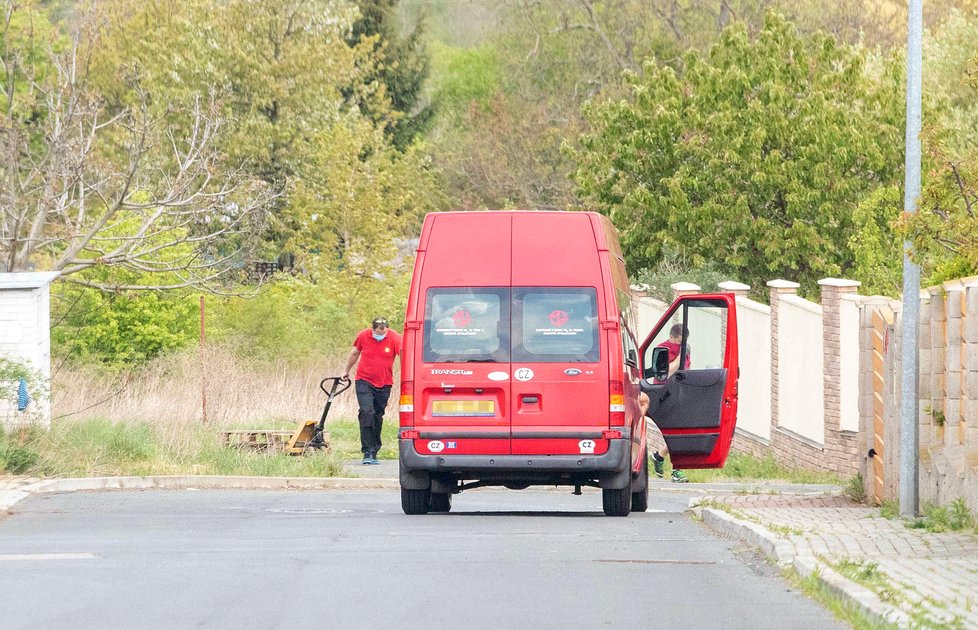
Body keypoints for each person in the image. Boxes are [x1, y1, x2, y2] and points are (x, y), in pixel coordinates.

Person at [342, 317, 402, 465]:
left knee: (377, 415)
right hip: (364, 380)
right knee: (366, 411)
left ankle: (375, 449)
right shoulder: (363, 336)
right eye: (378, 332)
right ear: (373, 329)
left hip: (384, 383)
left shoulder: (395, 338)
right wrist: (346, 371)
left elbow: (405, 356)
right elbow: (354, 353)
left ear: (387, 328)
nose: (380, 335)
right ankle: (367, 451)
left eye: (383, 331)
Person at [648, 323, 690, 483]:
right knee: (678, 432)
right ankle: (676, 470)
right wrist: (679, 358)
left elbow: (685, 370)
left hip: (680, 393)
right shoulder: (662, 349)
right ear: (672, 337)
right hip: (664, 394)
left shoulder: (685, 349)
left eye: (684, 342)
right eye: (679, 341)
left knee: (682, 432)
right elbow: (664, 373)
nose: (681, 345)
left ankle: (660, 456)